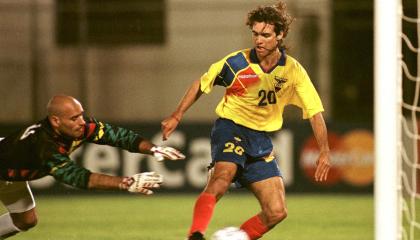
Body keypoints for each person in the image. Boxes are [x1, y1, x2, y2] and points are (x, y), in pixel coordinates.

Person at [161, 2, 331, 240]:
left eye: (266, 35)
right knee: (221, 179)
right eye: (255, 34)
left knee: (277, 211)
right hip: (230, 127)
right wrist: (177, 115)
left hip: (260, 139)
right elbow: (201, 83)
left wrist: (324, 149)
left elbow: (315, 112)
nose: (259, 40)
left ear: (280, 35)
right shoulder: (236, 64)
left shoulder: (293, 72)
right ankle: (196, 235)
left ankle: (233, 238)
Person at [0, 95, 185, 239]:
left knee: (26, 220)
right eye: (74, 118)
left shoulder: (80, 127)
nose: (82, 121)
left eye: (81, 114)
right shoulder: (43, 145)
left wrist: (153, 149)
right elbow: (76, 177)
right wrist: (126, 182)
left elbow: (117, 136)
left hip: (8, 173)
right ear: (56, 121)